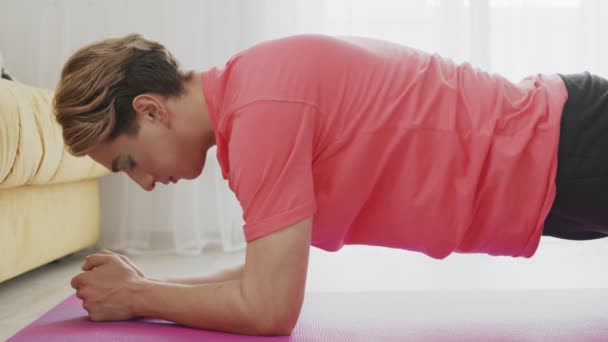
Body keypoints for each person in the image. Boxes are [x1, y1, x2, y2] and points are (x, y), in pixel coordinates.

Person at [54, 33, 608, 336]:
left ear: (149, 111)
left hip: (569, 149)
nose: (145, 184)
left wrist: (136, 297)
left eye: (128, 163)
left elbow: (268, 310)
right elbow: (267, 270)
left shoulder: (261, 115)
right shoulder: (250, 94)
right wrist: (149, 286)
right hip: (561, 165)